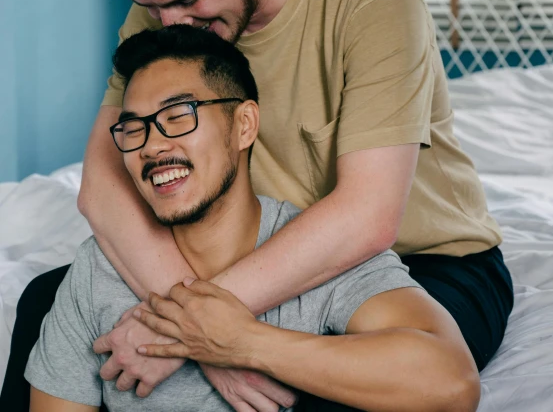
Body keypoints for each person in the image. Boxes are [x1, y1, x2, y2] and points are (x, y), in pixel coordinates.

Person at [1, 0, 512, 412]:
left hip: (426, 259)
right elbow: (102, 188)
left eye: (190, 0)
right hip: (244, 251)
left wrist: (201, 333)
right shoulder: (161, 10)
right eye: (155, 8)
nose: (172, 24)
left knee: (321, 389)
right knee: (50, 305)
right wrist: (201, 331)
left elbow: (368, 217)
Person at [25, 25, 480, 412]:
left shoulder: (319, 257)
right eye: (134, 128)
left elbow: (453, 381)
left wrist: (241, 343)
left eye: (178, 115)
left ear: (244, 125)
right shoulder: (98, 270)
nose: (151, 145)